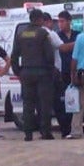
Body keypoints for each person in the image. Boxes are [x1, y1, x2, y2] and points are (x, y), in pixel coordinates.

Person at [10, 9, 56, 141]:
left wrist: (18, 71)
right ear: (40, 19)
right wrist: (50, 70)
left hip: (26, 72)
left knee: (28, 104)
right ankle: (45, 132)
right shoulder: (43, 33)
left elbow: (14, 55)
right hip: (42, 73)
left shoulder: (21, 34)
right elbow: (49, 55)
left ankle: (28, 134)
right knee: (44, 103)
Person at [42, 12, 73, 138]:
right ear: (48, 21)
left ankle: (45, 132)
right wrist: (80, 42)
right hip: (54, 74)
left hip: (41, 74)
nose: (57, 24)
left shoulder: (31, 34)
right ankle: (65, 130)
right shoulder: (51, 34)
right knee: (59, 103)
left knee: (43, 104)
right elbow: (63, 48)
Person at [55, 10, 80, 137]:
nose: (60, 24)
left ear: (69, 21)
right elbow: (61, 48)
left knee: (76, 101)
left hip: (76, 72)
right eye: (58, 21)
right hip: (62, 73)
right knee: (63, 102)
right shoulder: (57, 36)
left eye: (62, 21)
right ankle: (65, 129)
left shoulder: (78, 34)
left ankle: (75, 128)